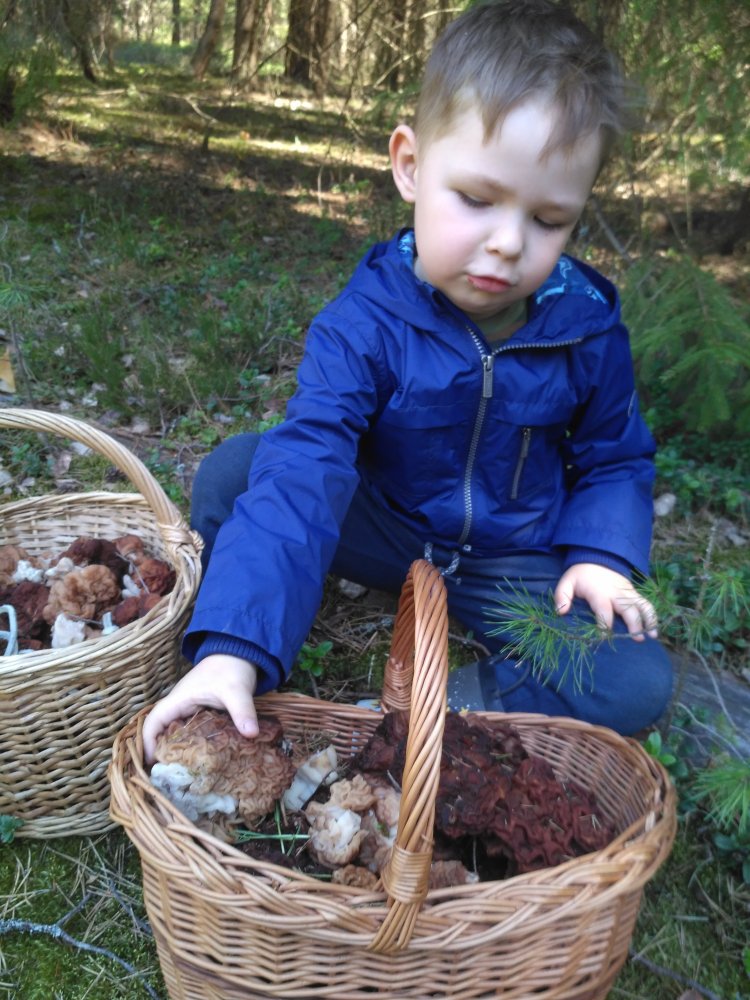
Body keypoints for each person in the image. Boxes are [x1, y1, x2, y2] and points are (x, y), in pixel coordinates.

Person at [142, 0, 673, 762]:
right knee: (238, 472)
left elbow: (615, 458)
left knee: (636, 679)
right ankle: (244, 638)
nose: (507, 243)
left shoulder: (585, 328)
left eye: (549, 219)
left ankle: (454, 707)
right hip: (388, 528)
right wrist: (234, 646)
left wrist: (600, 555)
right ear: (411, 166)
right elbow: (309, 463)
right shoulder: (364, 323)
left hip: (512, 560)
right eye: (477, 200)